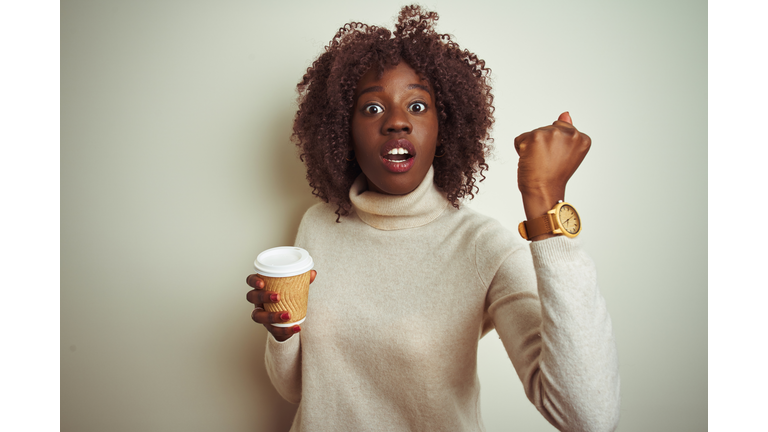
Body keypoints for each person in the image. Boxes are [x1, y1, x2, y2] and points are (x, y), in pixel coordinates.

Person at [245, 5, 620, 431]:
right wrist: (282, 331)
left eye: (418, 106)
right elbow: (297, 390)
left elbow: (588, 416)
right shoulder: (318, 224)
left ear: (447, 127)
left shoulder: (482, 247)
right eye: (371, 108)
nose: (398, 122)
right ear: (342, 130)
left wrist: (545, 202)